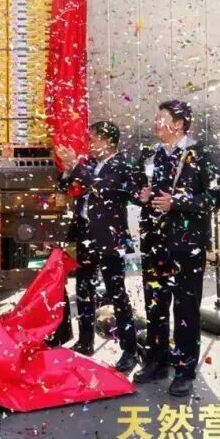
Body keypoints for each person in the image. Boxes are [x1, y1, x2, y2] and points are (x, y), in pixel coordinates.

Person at [131, 101, 219, 397]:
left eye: (162, 118)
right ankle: (156, 360)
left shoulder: (201, 154)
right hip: (154, 242)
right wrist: (141, 195)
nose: (156, 123)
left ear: (179, 124)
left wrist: (178, 202)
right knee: (155, 303)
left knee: (186, 308)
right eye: (156, 117)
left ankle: (184, 369)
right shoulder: (150, 154)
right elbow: (137, 189)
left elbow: (215, 197)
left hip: (187, 246)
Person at [54, 121, 139, 373]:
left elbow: (102, 187)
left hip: (110, 238)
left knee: (116, 293)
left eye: (93, 139)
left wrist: (76, 167)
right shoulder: (89, 163)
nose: (89, 144)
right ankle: (85, 341)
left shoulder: (122, 164)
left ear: (108, 141)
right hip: (85, 234)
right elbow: (65, 186)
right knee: (83, 289)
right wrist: (68, 171)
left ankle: (129, 350)